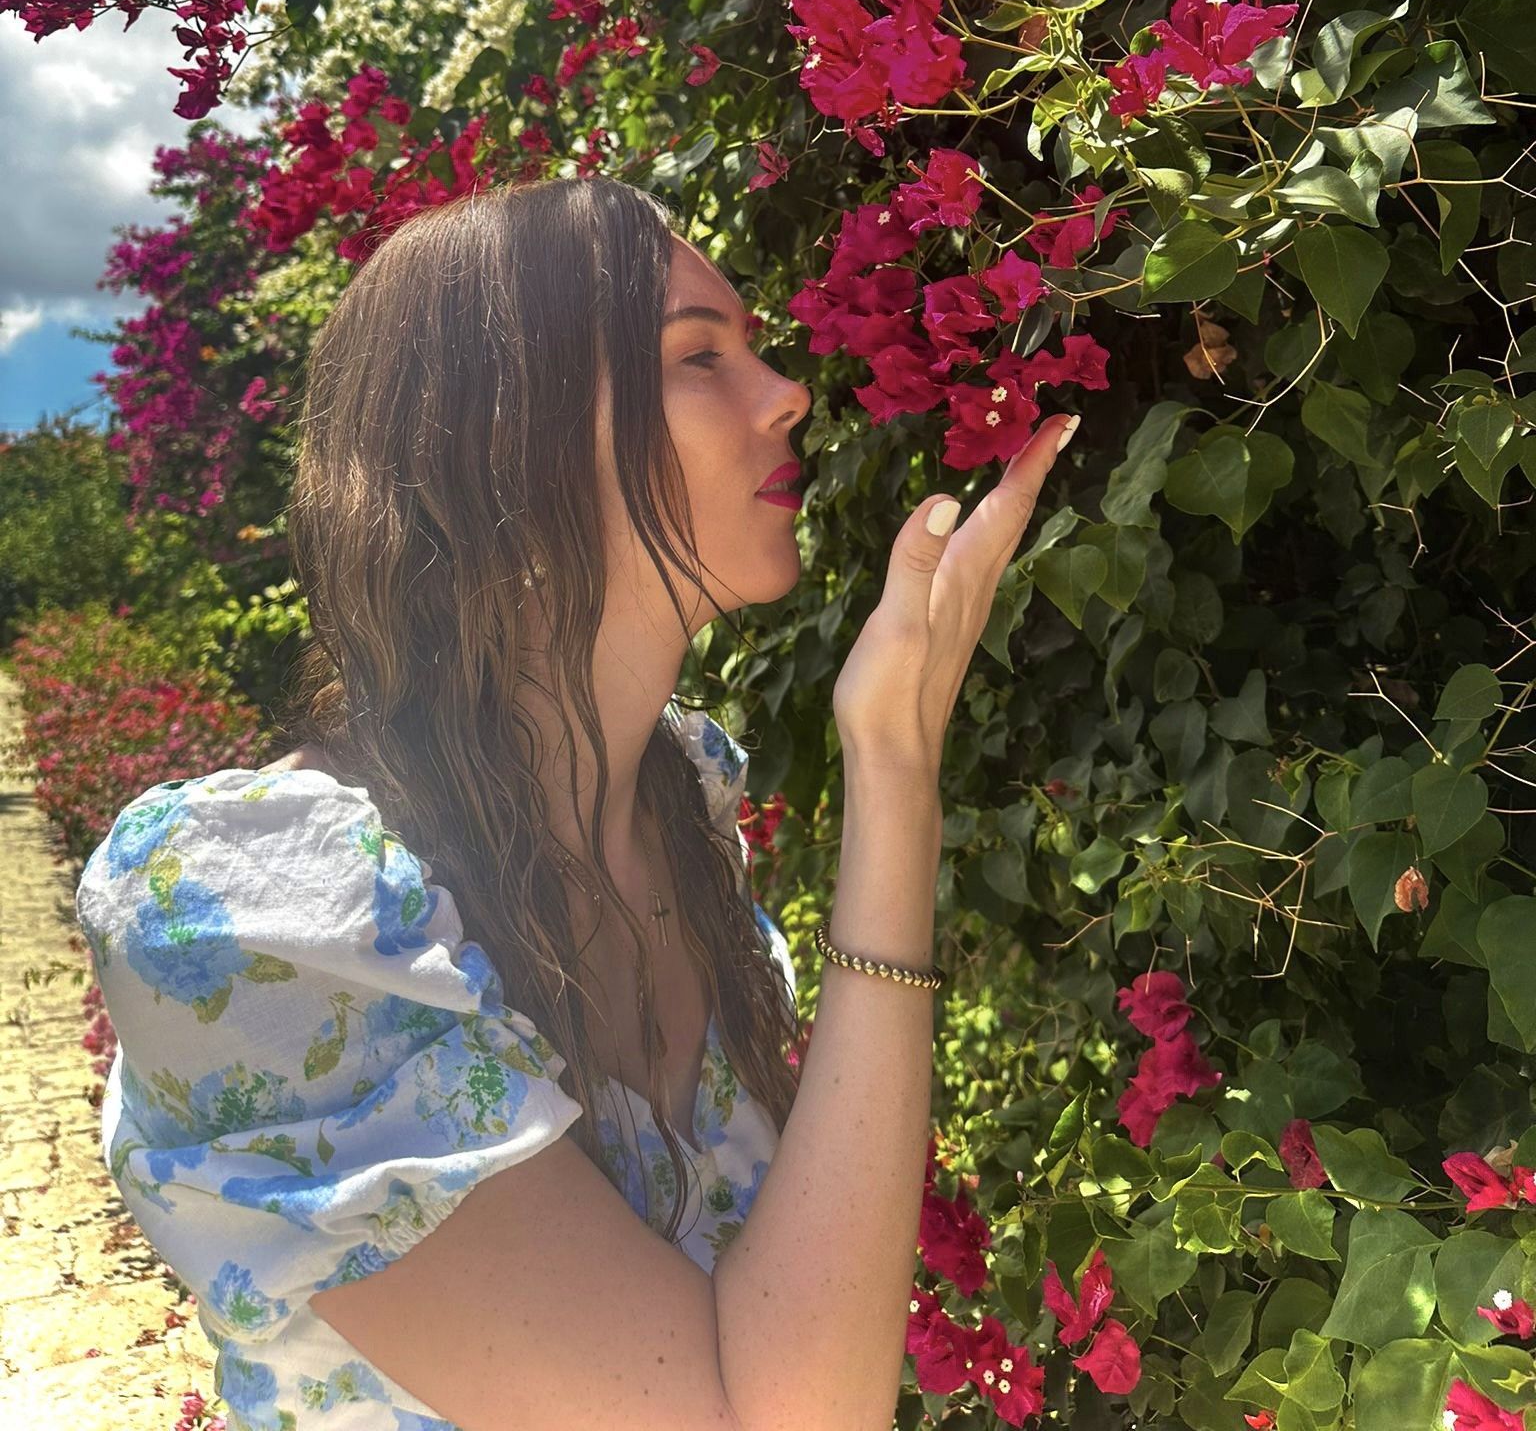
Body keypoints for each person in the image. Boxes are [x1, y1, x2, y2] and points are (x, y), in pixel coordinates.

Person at [75, 174, 1078, 1431]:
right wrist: (893, 771)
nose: (787, 392)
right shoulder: (263, 923)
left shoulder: (682, 824)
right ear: (507, 441)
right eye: (698, 355)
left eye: (753, 346)